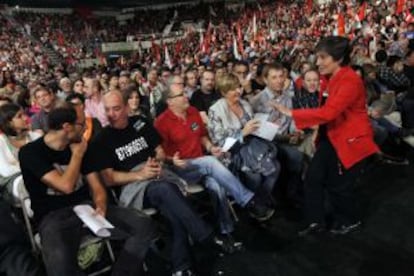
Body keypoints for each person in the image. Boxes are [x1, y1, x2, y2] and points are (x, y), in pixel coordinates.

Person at [88, 90, 233, 276]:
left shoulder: (139, 123)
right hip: (133, 187)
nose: (110, 114)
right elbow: (109, 178)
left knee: (173, 211)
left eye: (116, 109)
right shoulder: (101, 139)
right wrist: (141, 174)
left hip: (158, 173)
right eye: (107, 109)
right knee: (166, 190)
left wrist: (155, 163)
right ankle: (206, 236)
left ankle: (181, 267)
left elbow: (160, 152)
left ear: (126, 107)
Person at [19, 104, 158, 276]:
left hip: (86, 208)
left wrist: (100, 207)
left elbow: (97, 187)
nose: (86, 128)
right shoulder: (31, 152)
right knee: (60, 265)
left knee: (143, 225)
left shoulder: (83, 146)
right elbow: (66, 186)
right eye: (82, 124)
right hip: (53, 215)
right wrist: (77, 155)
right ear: (67, 127)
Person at [271, 36, 380, 235]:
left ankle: (348, 220)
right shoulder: (330, 78)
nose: (318, 62)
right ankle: (316, 221)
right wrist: (319, 134)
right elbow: (327, 111)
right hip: (331, 137)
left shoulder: (349, 80)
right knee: (313, 177)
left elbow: (329, 112)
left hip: (348, 140)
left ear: (338, 59)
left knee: (338, 186)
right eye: (317, 57)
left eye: (322, 57)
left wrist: (291, 113)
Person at [155, 76, 274, 243]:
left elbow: (203, 136)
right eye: (181, 95)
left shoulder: (193, 112)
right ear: (170, 102)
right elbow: (158, 155)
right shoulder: (161, 123)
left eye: (185, 93)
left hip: (201, 164)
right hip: (179, 168)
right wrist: (171, 160)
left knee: (216, 186)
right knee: (211, 162)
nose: (186, 96)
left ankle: (226, 230)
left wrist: (211, 148)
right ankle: (248, 199)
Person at [208, 74, 280, 203]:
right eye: (233, 89)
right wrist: (242, 133)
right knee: (255, 177)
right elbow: (219, 143)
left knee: (276, 167)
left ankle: (259, 200)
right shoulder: (215, 110)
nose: (238, 91)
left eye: (239, 87)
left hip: (252, 146)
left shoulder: (245, 104)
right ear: (224, 92)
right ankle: (255, 204)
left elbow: (253, 126)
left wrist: (265, 125)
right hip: (231, 152)